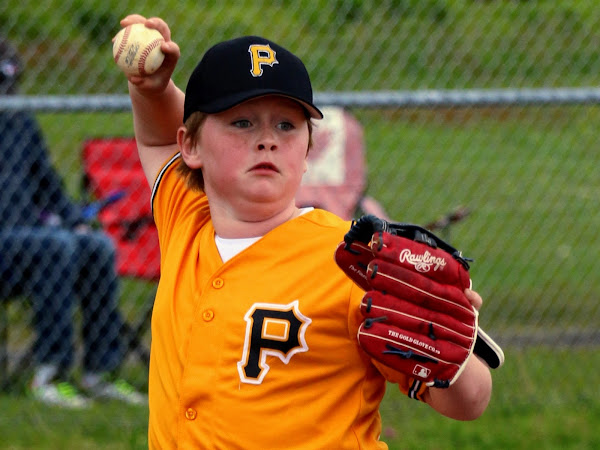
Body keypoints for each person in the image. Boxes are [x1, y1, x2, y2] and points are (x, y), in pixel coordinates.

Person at [118, 14, 493, 448]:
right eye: (242, 122)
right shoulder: (186, 220)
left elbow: (471, 402)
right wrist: (152, 88)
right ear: (191, 147)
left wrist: (453, 351)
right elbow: (157, 138)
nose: (267, 140)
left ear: (307, 151)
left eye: (286, 125)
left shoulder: (353, 261)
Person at [0, 35, 146, 408]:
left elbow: (48, 187)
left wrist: (72, 219)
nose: (8, 95)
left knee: (94, 246)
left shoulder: (20, 124)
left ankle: (99, 371)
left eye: (10, 86)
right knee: (55, 247)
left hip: (21, 243)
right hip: (16, 244)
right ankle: (50, 372)